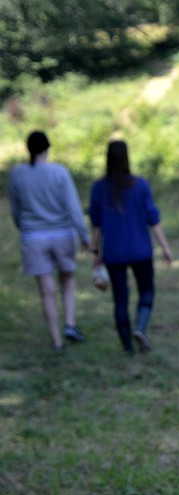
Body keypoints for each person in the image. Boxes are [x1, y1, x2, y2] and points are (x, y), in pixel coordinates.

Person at [8, 131, 91, 351]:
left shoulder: (17, 174)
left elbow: (16, 209)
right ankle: (70, 324)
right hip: (63, 234)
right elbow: (73, 208)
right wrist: (84, 236)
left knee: (47, 291)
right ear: (47, 148)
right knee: (68, 279)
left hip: (33, 237)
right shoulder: (59, 171)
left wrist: (24, 227)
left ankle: (56, 341)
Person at [89, 140, 173, 354]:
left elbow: (96, 225)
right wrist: (165, 247)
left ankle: (127, 347)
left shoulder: (99, 188)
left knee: (120, 299)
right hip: (140, 250)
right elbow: (153, 219)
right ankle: (140, 327)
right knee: (147, 290)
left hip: (113, 253)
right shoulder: (141, 185)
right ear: (127, 157)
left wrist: (95, 253)